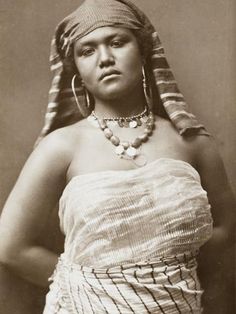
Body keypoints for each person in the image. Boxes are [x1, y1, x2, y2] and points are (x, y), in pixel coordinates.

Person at [0, 0, 235, 313]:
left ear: (143, 53)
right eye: (87, 50)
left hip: (178, 303)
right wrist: (96, 285)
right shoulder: (60, 147)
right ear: (77, 70)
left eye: (117, 42)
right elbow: (10, 246)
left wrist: (168, 268)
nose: (105, 59)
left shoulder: (192, 143)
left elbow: (226, 226)